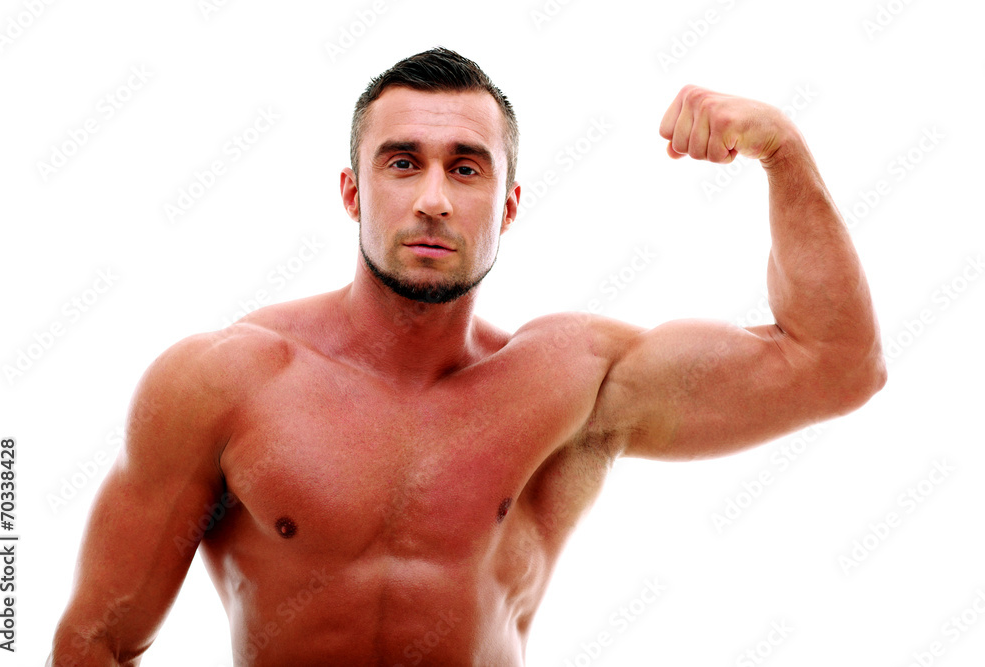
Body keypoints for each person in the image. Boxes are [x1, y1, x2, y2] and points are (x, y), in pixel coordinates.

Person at [47, 47, 886, 666]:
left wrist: (781, 150)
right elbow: (93, 639)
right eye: (403, 163)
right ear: (353, 192)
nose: (435, 199)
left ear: (509, 204)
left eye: (467, 168)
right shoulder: (221, 382)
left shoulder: (575, 379)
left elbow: (838, 365)